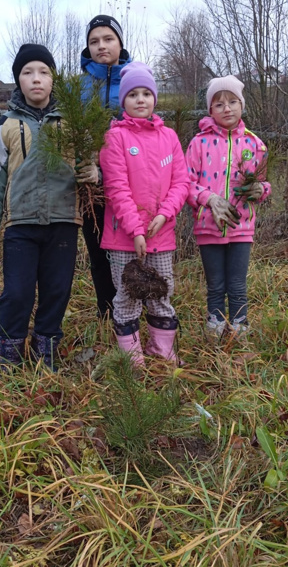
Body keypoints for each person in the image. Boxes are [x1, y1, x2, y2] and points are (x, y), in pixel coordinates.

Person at [0, 44, 96, 371]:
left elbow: (89, 160)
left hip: (63, 223)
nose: (36, 79)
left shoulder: (72, 123)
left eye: (43, 72)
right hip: (20, 227)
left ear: (53, 79)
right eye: (27, 73)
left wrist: (93, 170)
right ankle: (9, 356)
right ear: (18, 80)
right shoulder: (6, 126)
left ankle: (47, 353)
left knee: (57, 291)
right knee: (17, 293)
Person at [99, 62, 191, 366]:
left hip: (161, 235)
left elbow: (181, 182)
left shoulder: (170, 138)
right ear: (123, 100)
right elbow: (116, 188)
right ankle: (131, 358)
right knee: (127, 295)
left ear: (154, 98)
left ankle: (161, 351)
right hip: (124, 236)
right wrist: (136, 229)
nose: (141, 100)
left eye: (146, 93)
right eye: (133, 94)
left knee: (161, 292)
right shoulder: (115, 138)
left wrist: (164, 215)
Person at [185, 75, 271, 339]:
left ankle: (239, 331)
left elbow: (263, 183)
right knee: (215, 284)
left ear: (242, 105)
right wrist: (208, 199)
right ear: (210, 110)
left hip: (241, 226)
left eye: (233, 101)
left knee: (237, 284)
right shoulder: (198, 143)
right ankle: (215, 328)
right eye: (219, 104)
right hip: (208, 226)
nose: (227, 108)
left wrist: (261, 190)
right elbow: (186, 183)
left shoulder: (254, 144)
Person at [80, 14, 132, 318]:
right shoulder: (78, 87)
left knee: (128, 245)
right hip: (91, 183)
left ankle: (133, 307)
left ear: (120, 42)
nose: (102, 46)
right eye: (94, 41)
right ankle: (107, 310)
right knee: (98, 246)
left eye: (108, 39)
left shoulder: (135, 78)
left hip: (129, 179)